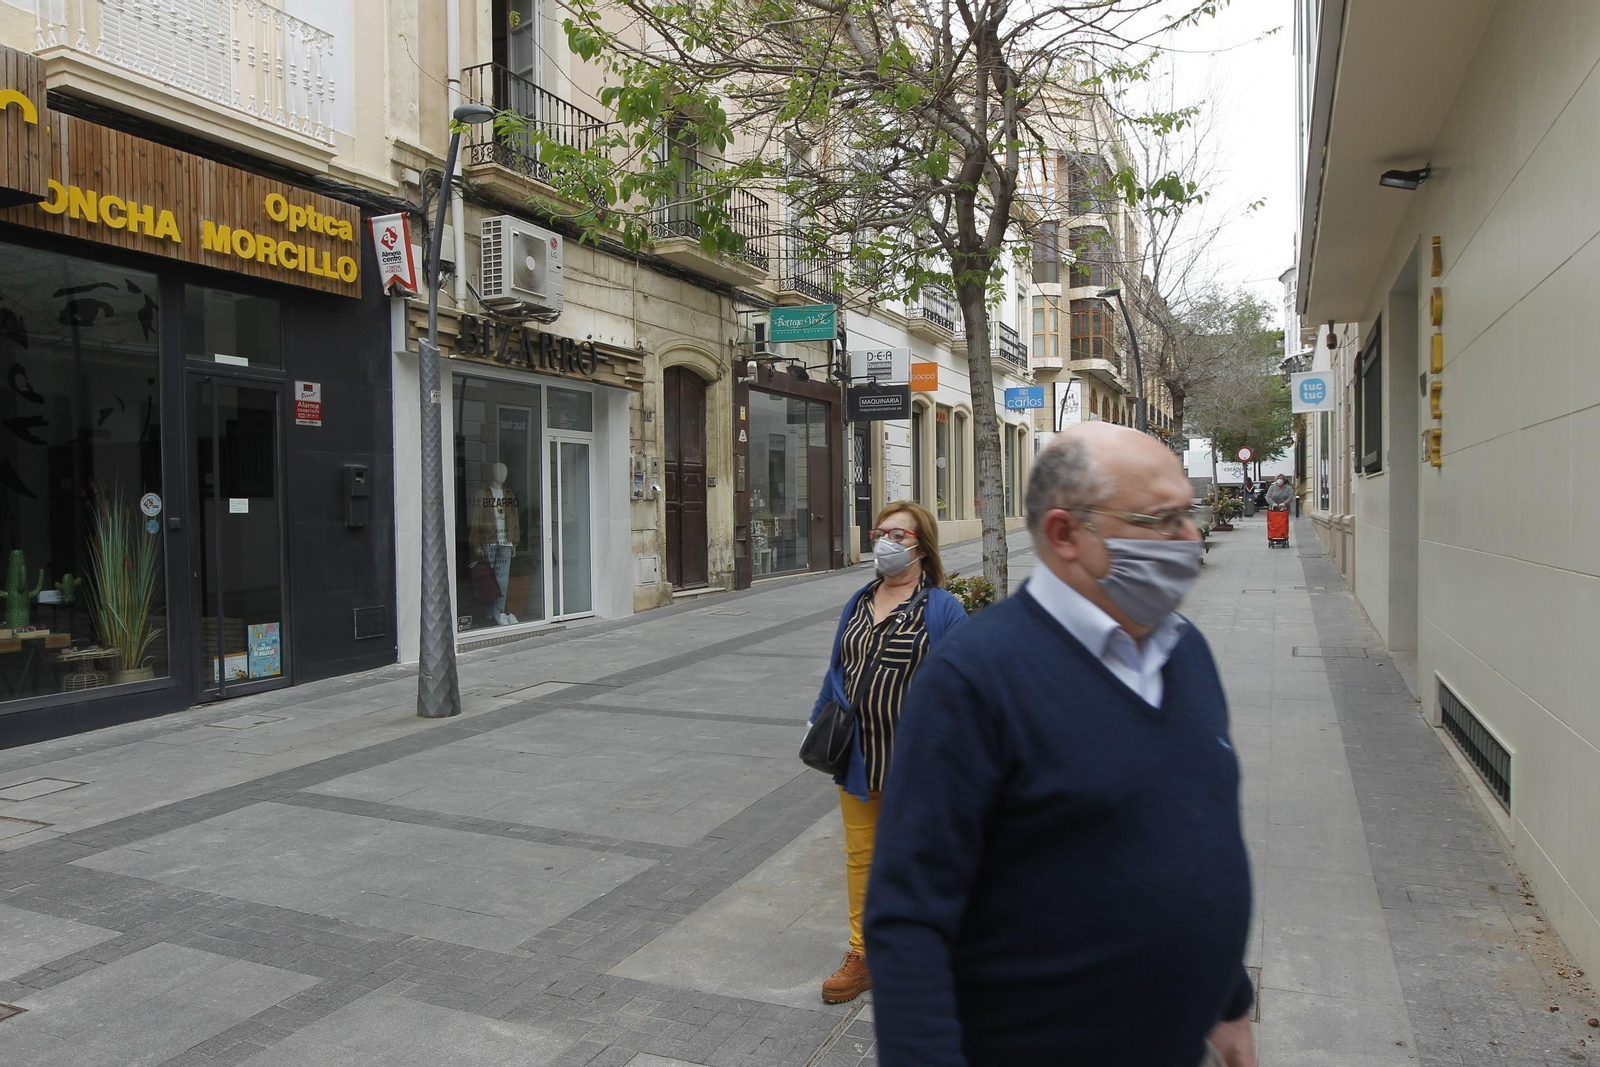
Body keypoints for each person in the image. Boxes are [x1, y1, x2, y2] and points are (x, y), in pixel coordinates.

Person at [864, 423, 1256, 1067]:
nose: (1190, 538)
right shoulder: (974, 679)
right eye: (1161, 520)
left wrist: (1229, 1000)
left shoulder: (1186, 651)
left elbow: (1200, 831)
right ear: (1065, 534)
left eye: (1188, 514)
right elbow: (909, 917)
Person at [808, 501, 968, 1004]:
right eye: (881, 532)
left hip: (916, 762)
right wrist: (820, 718)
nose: (886, 543)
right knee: (862, 858)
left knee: (920, 860)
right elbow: (840, 665)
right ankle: (863, 953)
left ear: (922, 546)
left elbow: (964, 686)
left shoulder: (941, 608)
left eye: (899, 535)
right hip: (859, 758)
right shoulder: (859, 600)